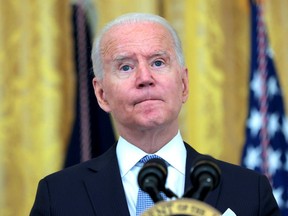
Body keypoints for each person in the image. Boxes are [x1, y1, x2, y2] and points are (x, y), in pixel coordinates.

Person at [30, 13, 280, 216]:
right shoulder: (58, 197)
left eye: (158, 62)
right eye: (126, 66)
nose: (145, 78)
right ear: (102, 94)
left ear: (183, 84)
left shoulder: (249, 192)